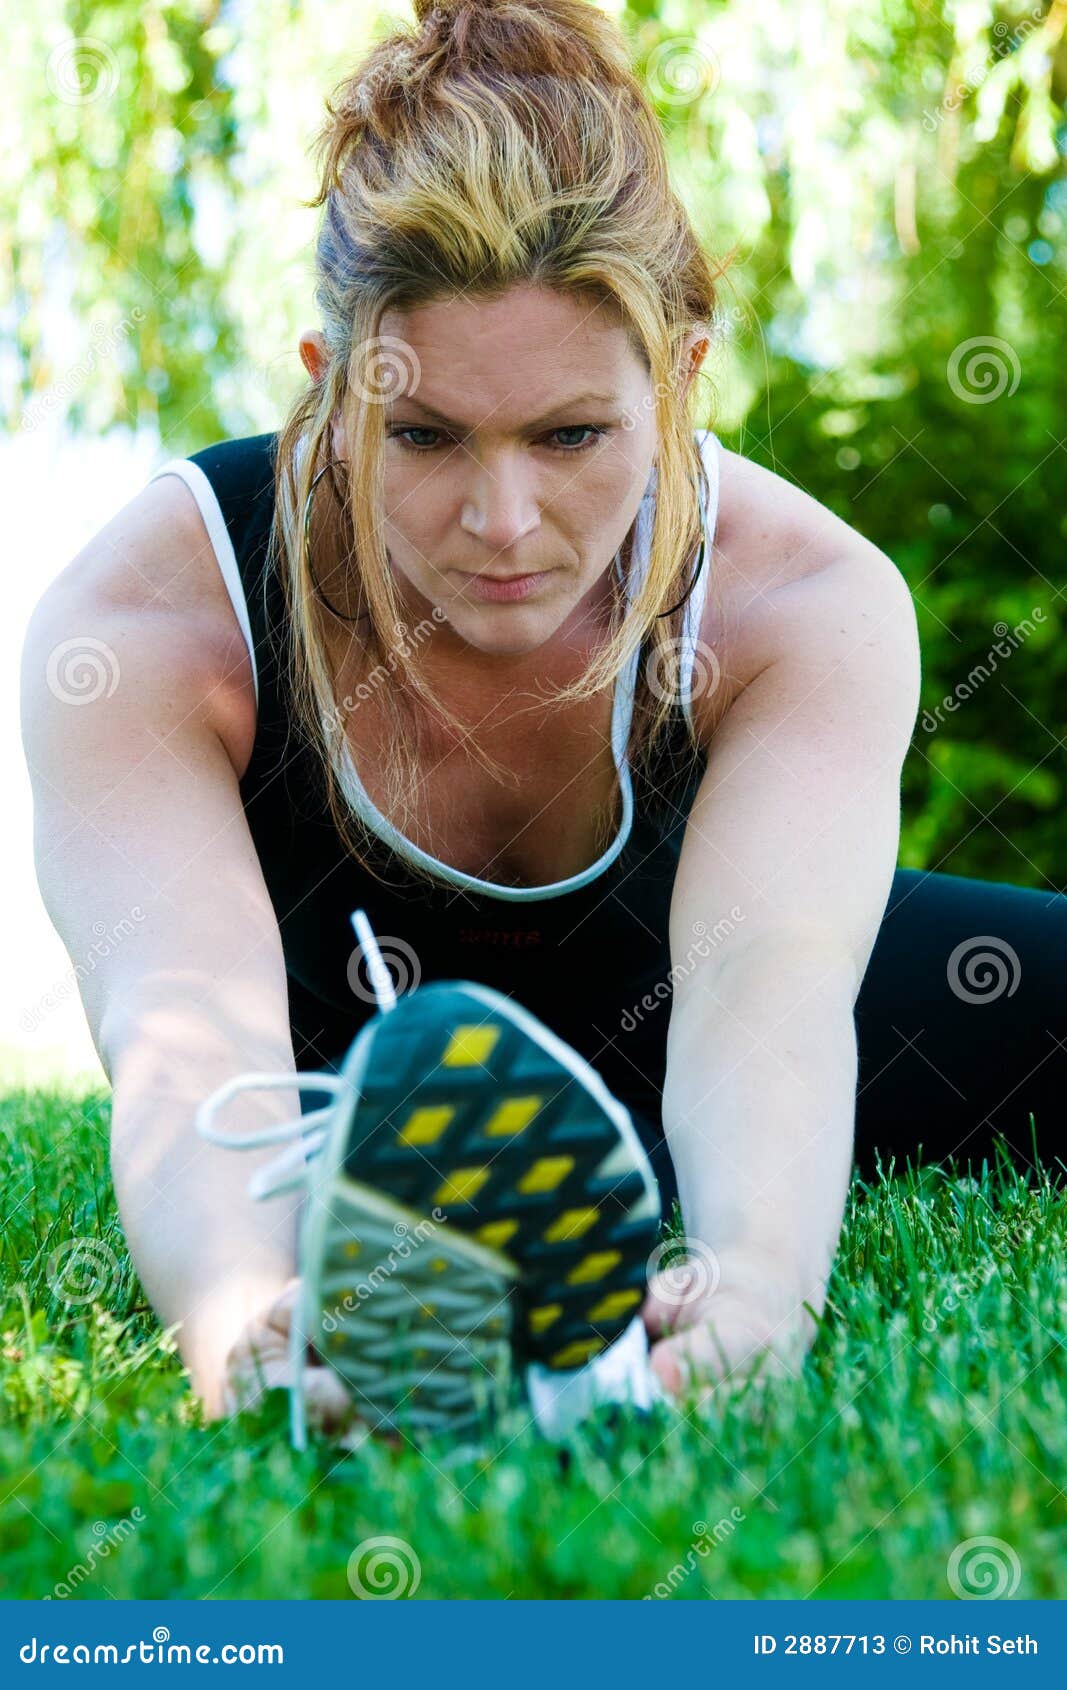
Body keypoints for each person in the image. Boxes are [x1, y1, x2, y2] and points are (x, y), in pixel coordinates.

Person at [20, 0, 1065, 1438]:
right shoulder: (152, 617)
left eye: (573, 437)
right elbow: (183, 1031)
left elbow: (770, 984)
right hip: (351, 1073)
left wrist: (756, 1285)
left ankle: (615, 1171)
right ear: (335, 396)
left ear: (682, 385)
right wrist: (243, 1316)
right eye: (429, 435)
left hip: (682, 1020)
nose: (502, 523)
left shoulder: (804, 602)